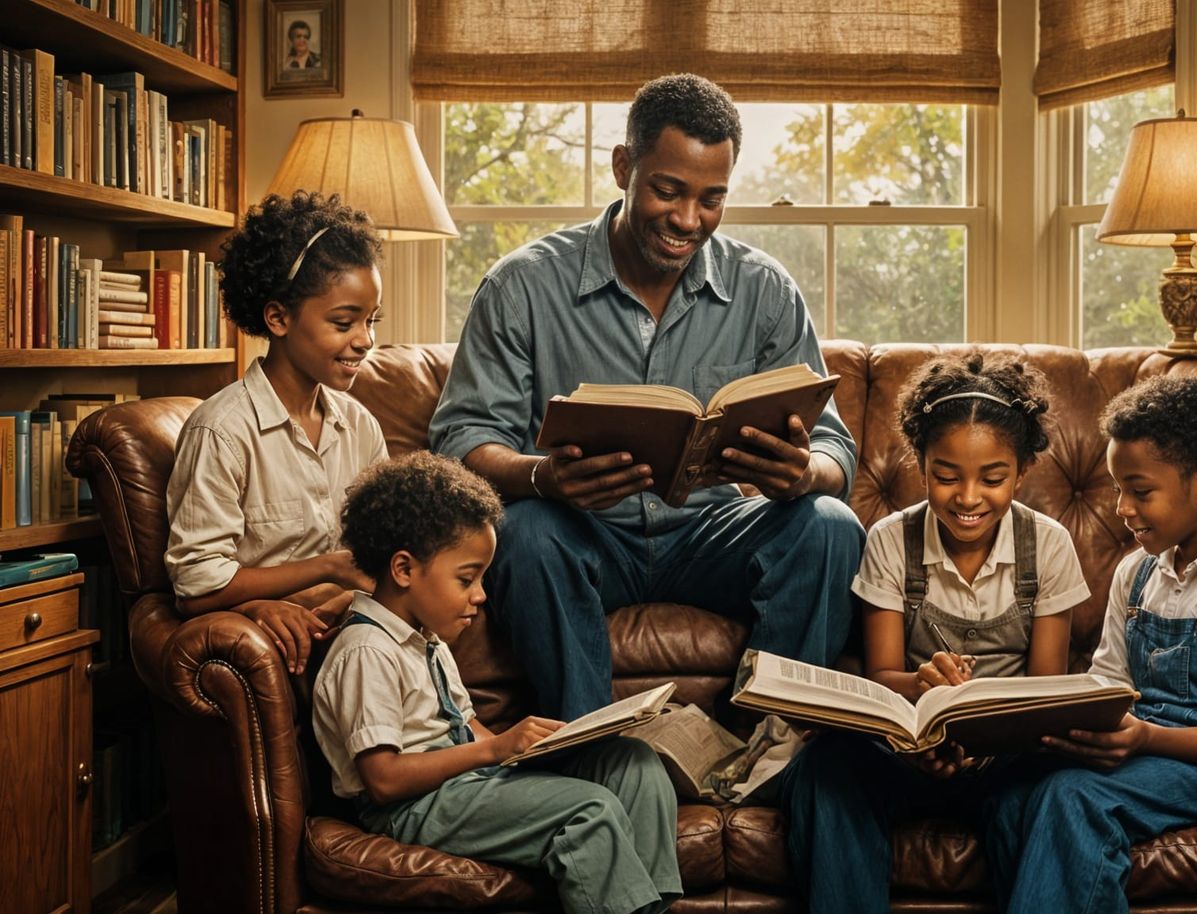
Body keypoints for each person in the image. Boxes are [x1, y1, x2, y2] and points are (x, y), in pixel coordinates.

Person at [429, 73, 863, 720]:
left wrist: (806, 473)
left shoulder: (765, 291)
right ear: (623, 167)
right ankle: (591, 749)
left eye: (712, 199)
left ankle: (763, 747)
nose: (689, 220)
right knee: (525, 533)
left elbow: (833, 447)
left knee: (830, 526)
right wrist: (545, 478)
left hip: (712, 532)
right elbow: (462, 441)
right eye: (668, 191)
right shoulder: (521, 287)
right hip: (584, 534)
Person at [983, 375, 1197, 914]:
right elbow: (1109, 682)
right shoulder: (1136, 572)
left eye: (1140, 491)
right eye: (1119, 490)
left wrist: (1145, 740)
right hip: (1136, 747)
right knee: (1012, 794)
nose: (1122, 507)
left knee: (1072, 797)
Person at [780, 352, 1091, 914]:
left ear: (1022, 471)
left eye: (993, 479)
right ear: (920, 465)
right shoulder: (890, 540)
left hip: (1007, 757)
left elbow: (1044, 693)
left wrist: (976, 741)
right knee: (823, 770)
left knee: (1056, 787)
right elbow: (881, 676)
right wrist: (923, 694)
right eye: (946, 476)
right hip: (907, 752)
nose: (968, 498)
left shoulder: (1047, 545)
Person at [312, 452, 681, 914]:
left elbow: (466, 725)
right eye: (467, 578)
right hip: (412, 807)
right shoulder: (367, 650)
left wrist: (528, 750)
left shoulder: (427, 639)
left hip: (468, 782)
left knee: (633, 765)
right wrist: (494, 749)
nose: (481, 595)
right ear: (404, 570)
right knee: (587, 809)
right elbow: (383, 780)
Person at [165, 191, 387, 675]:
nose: (366, 339)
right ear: (278, 318)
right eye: (344, 322)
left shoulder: (360, 427)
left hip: (354, 631)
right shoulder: (222, 432)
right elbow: (197, 583)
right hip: (290, 653)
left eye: (372, 321)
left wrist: (349, 593)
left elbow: (379, 552)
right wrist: (323, 571)